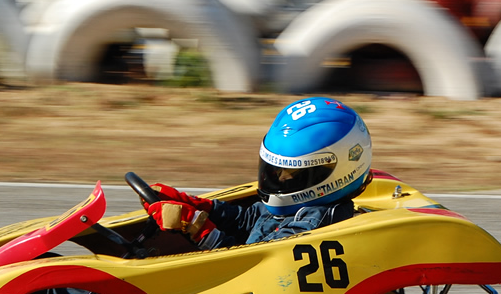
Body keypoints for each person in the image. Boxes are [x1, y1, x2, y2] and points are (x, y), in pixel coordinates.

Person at [144, 96, 373, 250]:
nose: (280, 179)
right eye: (274, 169)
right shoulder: (289, 207)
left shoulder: (312, 224)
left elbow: (251, 264)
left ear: (334, 172)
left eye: (291, 172)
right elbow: (250, 220)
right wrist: (201, 207)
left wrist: (198, 227)